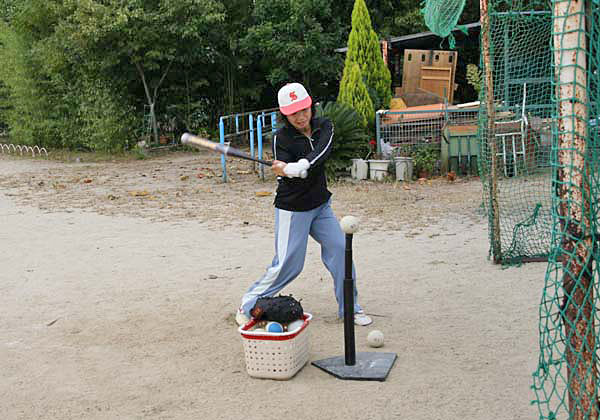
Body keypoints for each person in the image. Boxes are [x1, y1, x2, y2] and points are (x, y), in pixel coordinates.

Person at [235, 82, 372, 327]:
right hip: (292, 209)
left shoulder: (325, 126)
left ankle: (350, 309)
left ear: (311, 106)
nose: (300, 117)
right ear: (284, 115)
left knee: (341, 250)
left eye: (304, 110)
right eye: (293, 113)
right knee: (289, 265)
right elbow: (285, 176)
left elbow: (322, 151)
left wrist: (302, 165)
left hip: (320, 206)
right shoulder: (281, 138)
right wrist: (286, 171)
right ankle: (248, 303)